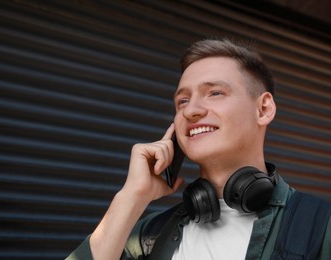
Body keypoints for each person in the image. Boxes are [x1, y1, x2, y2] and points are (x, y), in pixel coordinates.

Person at [67, 39, 331, 260]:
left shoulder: (320, 225)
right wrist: (132, 196)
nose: (191, 110)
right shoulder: (150, 234)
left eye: (214, 93)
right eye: (183, 100)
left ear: (263, 109)